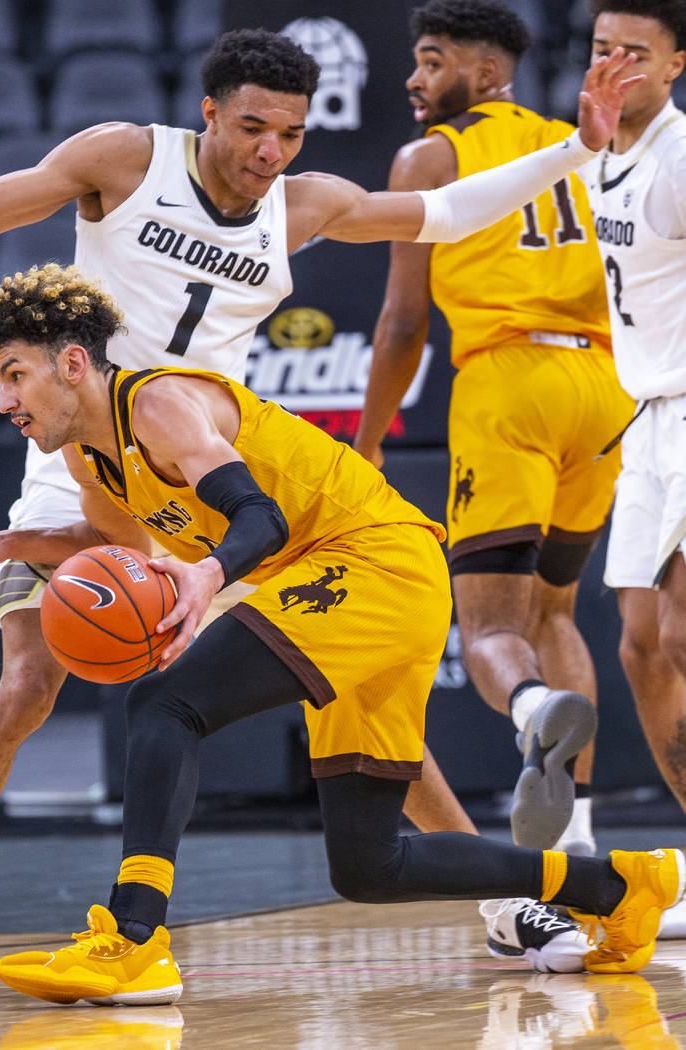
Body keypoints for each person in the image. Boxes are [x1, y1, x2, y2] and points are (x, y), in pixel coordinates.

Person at [0, 29, 635, 994]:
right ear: (207, 113)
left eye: (289, 132)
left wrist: (579, 148)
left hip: (213, 477)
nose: (269, 151)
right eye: (251, 126)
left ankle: (512, 910)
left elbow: (448, 211)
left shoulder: (302, 205)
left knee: (349, 693)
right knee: (27, 682)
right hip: (91, 457)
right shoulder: (123, 157)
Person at [0, 261, 686, 1004]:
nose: (4, 400)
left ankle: (134, 943)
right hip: (363, 578)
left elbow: (260, 516)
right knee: (369, 866)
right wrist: (14, 541)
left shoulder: (158, 404)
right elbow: (129, 548)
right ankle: (620, 884)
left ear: (70, 363)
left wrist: (207, 576)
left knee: (165, 705)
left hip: (373, 559)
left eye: (14, 374)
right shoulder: (92, 463)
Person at [353, 0, 635, 861]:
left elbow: (404, 325)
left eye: (431, 61)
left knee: (488, 633)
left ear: (482, 74)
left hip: (508, 380)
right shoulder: (587, 140)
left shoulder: (428, 156)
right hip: (604, 386)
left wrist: (367, 442)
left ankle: (527, 709)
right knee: (555, 611)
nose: (412, 78)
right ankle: (578, 842)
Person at [580, 4, 686, 864]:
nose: (616, 64)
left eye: (636, 53)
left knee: (682, 634)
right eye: (601, 49)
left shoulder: (680, 159)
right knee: (642, 647)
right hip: (646, 415)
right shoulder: (598, 157)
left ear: (675, 65)